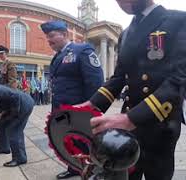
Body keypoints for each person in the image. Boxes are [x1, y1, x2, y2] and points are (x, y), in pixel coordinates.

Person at [76, 1, 186, 180]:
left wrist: (131, 119)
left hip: (160, 124)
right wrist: (90, 106)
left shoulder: (180, 20)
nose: (120, 2)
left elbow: (179, 80)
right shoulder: (125, 34)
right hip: (128, 125)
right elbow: (118, 77)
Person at [40, 20, 104, 179]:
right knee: (68, 138)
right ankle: (74, 167)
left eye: (52, 35)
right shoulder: (57, 57)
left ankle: (94, 170)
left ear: (65, 34)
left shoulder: (82, 50)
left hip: (79, 110)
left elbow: (95, 81)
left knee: (85, 140)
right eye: (47, 37)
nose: (49, 40)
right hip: (61, 109)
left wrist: (90, 109)